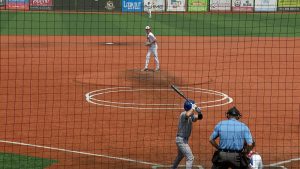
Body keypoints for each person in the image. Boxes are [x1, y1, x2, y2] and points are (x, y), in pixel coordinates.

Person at [171, 100, 203, 169]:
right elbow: (187, 115)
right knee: (190, 157)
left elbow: (200, 117)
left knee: (180, 156)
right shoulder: (183, 114)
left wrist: (199, 112)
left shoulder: (191, 115)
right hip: (181, 140)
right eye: (193, 105)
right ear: (190, 107)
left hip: (184, 140)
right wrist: (193, 108)